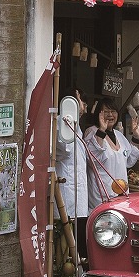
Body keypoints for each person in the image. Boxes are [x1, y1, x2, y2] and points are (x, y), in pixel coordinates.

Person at [84, 98, 139, 208]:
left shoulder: (119, 135)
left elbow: (129, 161)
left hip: (121, 193)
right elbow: (93, 160)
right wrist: (101, 130)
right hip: (102, 195)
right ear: (98, 114)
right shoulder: (92, 131)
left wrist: (136, 137)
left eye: (113, 111)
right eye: (106, 112)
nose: (110, 115)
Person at [54, 90, 91, 261]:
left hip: (78, 192)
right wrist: (69, 117)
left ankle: (77, 268)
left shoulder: (77, 127)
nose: (84, 107)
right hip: (67, 193)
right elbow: (63, 150)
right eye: (81, 102)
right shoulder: (62, 124)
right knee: (64, 240)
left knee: (78, 233)